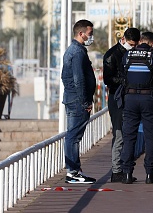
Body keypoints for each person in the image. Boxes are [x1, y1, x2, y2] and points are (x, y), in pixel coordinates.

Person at [119, 31, 153, 184]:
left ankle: (127, 173)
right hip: (149, 99)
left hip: (130, 98)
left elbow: (123, 75)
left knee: (129, 136)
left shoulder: (127, 56)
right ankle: (150, 174)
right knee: (151, 137)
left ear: (141, 40)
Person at [61, 19, 97, 184]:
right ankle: (73, 172)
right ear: (81, 33)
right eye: (90, 34)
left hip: (73, 98)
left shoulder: (74, 50)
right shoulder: (77, 52)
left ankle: (74, 171)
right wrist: (85, 102)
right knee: (73, 136)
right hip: (77, 100)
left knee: (73, 135)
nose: (91, 37)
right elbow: (78, 79)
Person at [102, 27, 140, 183]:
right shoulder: (112, 55)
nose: (133, 47)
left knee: (129, 134)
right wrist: (125, 81)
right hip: (117, 98)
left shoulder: (134, 53)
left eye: (135, 44)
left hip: (131, 97)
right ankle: (117, 170)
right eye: (131, 44)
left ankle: (126, 169)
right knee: (119, 135)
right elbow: (108, 79)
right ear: (123, 39)